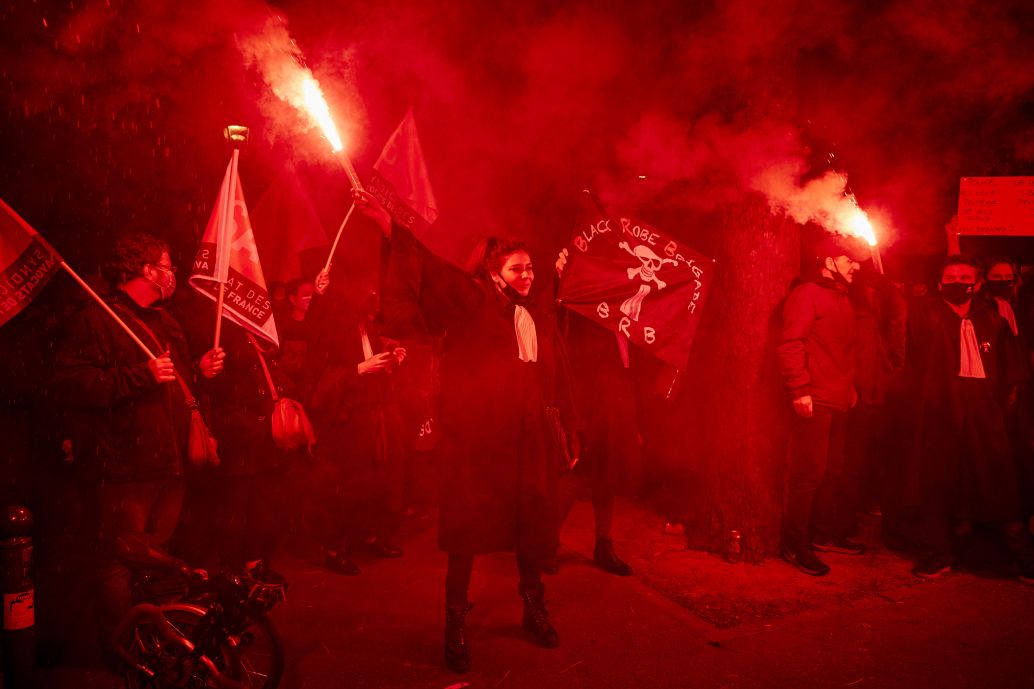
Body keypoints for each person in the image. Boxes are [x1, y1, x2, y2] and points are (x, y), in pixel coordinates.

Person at [366, 190, 577, 674]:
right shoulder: (470, 300)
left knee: (530, 530)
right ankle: (454, 626)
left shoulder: (532, 312)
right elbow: (430, 269)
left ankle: (533, 608)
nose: (527, 276)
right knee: (466, 538)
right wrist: (389, 229)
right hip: (478, 445)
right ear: (492, 272)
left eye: (530, 268)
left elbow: (553, 355)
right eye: (516, 269)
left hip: (527, 442)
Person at [49, 233, 222, 644]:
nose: (173, 274)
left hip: (169, 460)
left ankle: (153, 635)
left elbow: (175, 382)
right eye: (167, 266)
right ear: (147, 270)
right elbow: (71, 384)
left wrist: (198, 371)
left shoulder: (165, 321)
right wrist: (138, 377)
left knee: (156, 554)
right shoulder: (97, 319)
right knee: (120, 557)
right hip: (125, 464)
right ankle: (123, 646)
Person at [906, 255, 1034, 582]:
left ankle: (1025, 560)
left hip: (983, 411)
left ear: (976, 283)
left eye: (965, 276)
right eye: (951, 277)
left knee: (997, 483)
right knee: (937, 484)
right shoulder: (924, 314)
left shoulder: (992, 317)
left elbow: (1012, 369)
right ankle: (939, 556)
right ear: (939, 284)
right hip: (938, 411)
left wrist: (1002, 407)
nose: (958, 282)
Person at [777, 234, 867, 576]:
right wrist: (799, 389)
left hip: (839, 398)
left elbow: (840, 350)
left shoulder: (841, 297)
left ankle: (822, 535)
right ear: (829, 263)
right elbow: (790, 344)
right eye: (848, 260)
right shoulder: (807, 294)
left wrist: (850, 387)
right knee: (807, 475)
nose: (855, 266)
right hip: (814, 400)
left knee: (832, 471)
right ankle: (794, 544)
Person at [304, 278, 408, 576]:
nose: (374, 301)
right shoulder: (332, 330)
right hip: (342, 422)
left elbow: (371, 363)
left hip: (369, 416)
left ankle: (367, 537)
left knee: (372, 482)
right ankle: (336, 549)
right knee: (343, 488)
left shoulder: (367, 326)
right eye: (369, 295)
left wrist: (391, 361)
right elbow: (321, 382)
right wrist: (361, 369)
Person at [550, 247, 637, 576]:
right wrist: (562, 279)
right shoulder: (586, 309)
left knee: (609, 475)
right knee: (574, 473)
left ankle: (604, 545)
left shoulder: (629, 314)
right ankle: (548, 542)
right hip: (586, 401)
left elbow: (628, 366)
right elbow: (558, 321)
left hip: (617, 403)